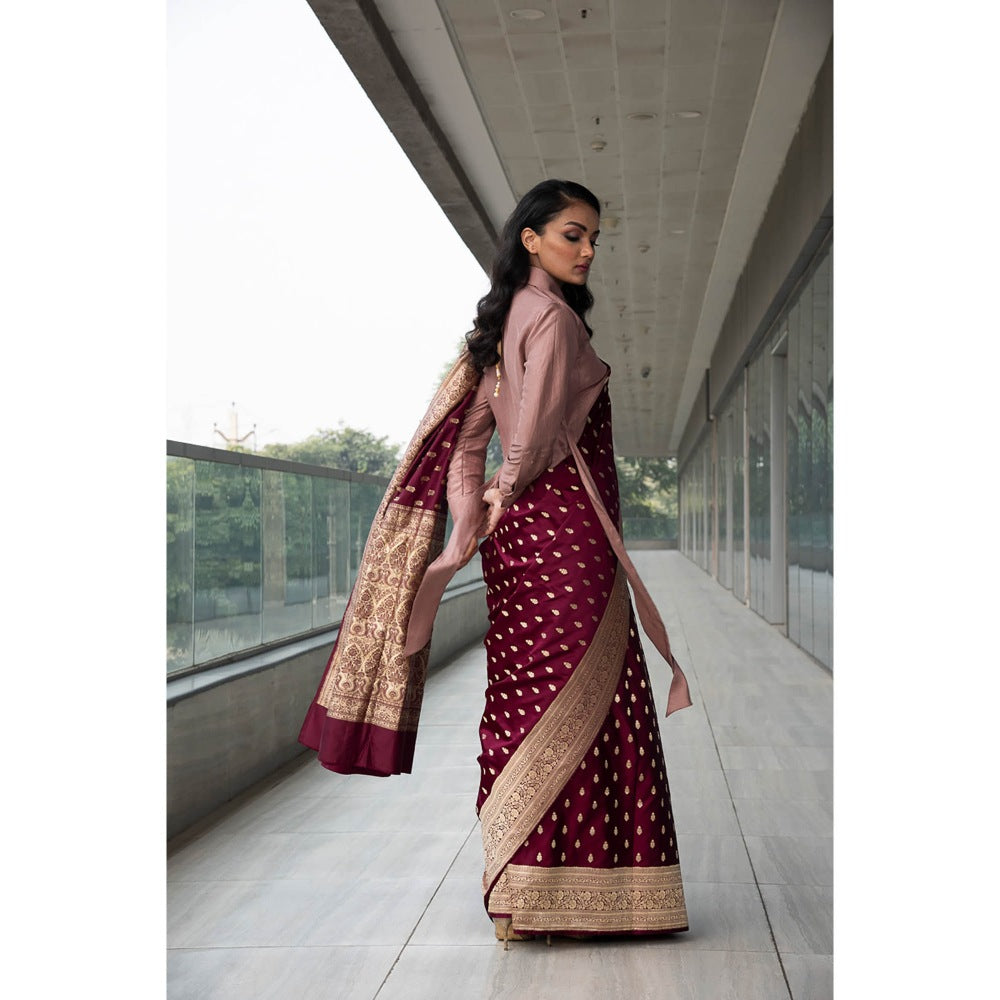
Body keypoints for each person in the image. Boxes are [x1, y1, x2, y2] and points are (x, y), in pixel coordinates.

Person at [299, 179, 692, 943]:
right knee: (597, 701)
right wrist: (506, 492)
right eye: (574, 234)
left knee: (523, 704)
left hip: (520, 549)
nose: (587, 250)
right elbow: (537, 435)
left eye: (593, 240)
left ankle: (522, 896)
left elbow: (470, 442)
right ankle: (602, 890)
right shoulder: (547, 317)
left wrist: (477, 517)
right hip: (567, 539)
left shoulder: (506, 320)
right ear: (532, 239)